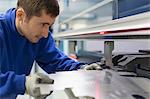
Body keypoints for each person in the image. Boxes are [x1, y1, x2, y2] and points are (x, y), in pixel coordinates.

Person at [0, 0, 101, 99]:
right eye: (43, 24)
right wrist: (23, 83)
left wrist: (80, 69)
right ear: (21, 15)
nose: (45, 33)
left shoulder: (39, 36)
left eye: (49, 25)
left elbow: (55, 61)